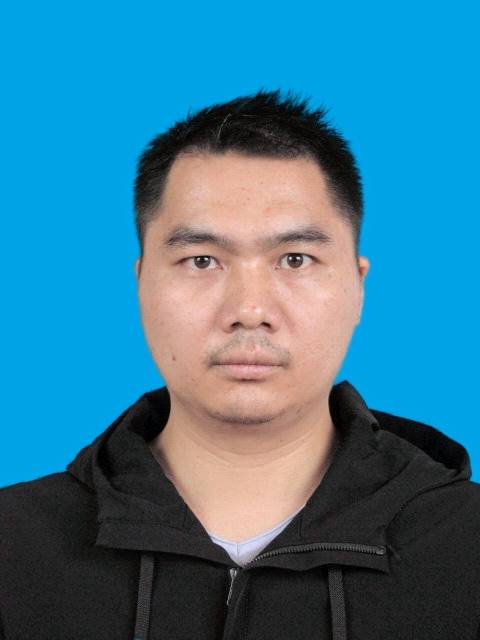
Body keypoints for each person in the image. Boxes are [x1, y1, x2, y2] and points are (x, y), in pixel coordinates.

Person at [1, 89, 479, 640]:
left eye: (295, 259)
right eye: (201, 260)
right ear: (141, 283)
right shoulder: (14, 545)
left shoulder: (466, 546)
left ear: (358, 286)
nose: (250, 310)